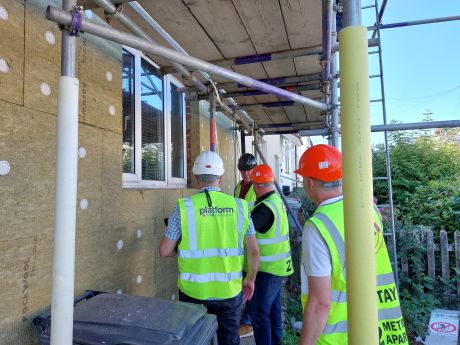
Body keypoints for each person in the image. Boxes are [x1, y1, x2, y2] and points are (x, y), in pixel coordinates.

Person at [294, 144, 408, 345]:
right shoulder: (369, 209)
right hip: (382, 329)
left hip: (339, 338)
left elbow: (320, 304)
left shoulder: (318, 227)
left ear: (310, 182)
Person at [159, 150, 260, 345]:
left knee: (196, 340)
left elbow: (164, 251)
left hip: (193, 293)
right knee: (228, 340)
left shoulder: (183, 208)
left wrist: (182, 249)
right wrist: (250, 279)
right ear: (220, 178)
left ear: (197, 178)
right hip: (229, 292)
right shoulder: (241, 207)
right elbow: (254, 252)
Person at [247, 164, 294, 345]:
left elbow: (246, 230)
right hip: (278, 268)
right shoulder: (275, 201)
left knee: (259, 314)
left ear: (257, 186)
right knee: (273, 312)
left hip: (267, 271)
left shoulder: (264, 209)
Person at [234, 153, 257, 338]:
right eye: (242, 169)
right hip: (240, 242)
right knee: (242, 282)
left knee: (250, 282)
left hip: (252, 239)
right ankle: (242, 318)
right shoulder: (239, 186)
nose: (245, 173)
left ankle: (248, 322)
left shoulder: (258, 187)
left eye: (248, 169)